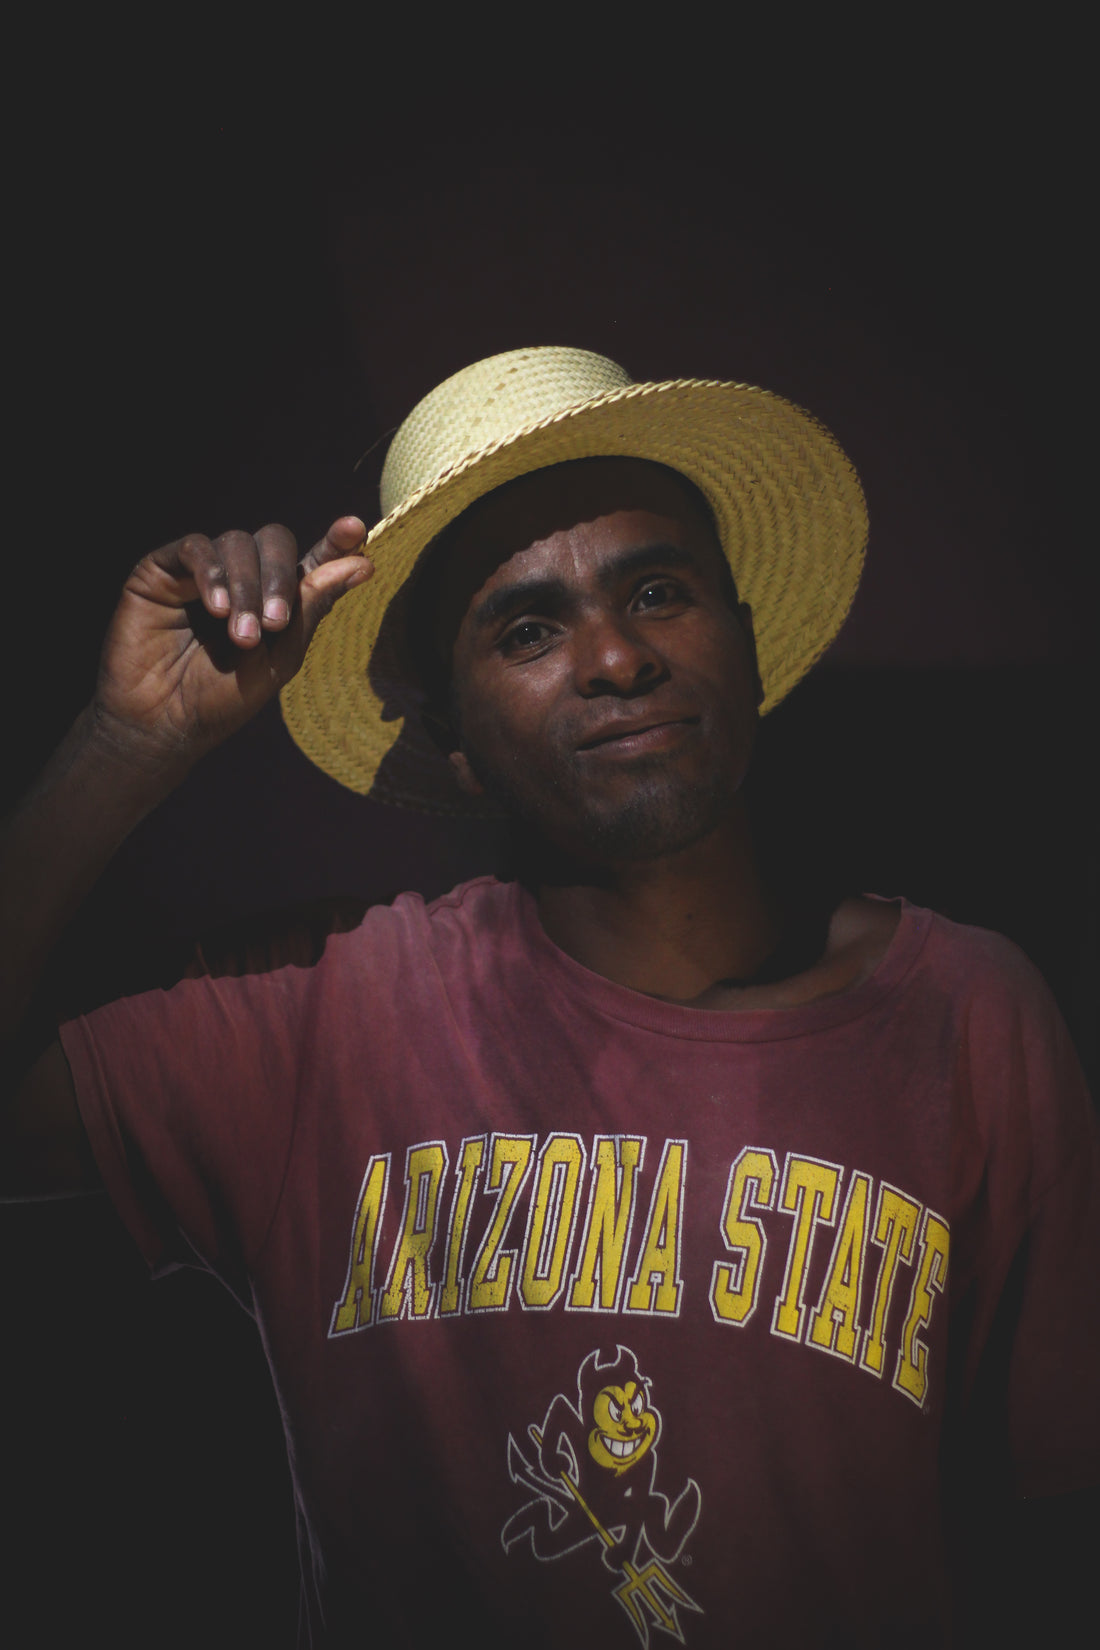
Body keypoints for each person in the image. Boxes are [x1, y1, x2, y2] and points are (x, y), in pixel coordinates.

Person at [1, 346, 1097, 1648]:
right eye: (528, 629)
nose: (618, 657)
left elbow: (1055, 1536)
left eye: (658, 592)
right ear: (451, 741)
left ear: (748, 646)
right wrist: (126, 743)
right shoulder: (322, 1015)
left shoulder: (965, 1013)